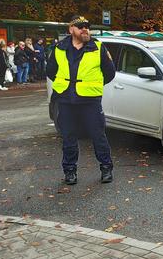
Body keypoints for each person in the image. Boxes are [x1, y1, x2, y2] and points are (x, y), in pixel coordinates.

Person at [46, 15, 116, 185]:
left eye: (87, 26)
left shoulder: (97, 47)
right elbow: (51, 71)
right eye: (80, 26)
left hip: (90, 101)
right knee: (69, 137)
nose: (85, 29)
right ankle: (70, 172)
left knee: (98, 135)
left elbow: (109, 73)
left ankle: (106, 168)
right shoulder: (59, 48)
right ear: (71, 30)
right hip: (66, 100)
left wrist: (92, 86)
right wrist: (67, 87)